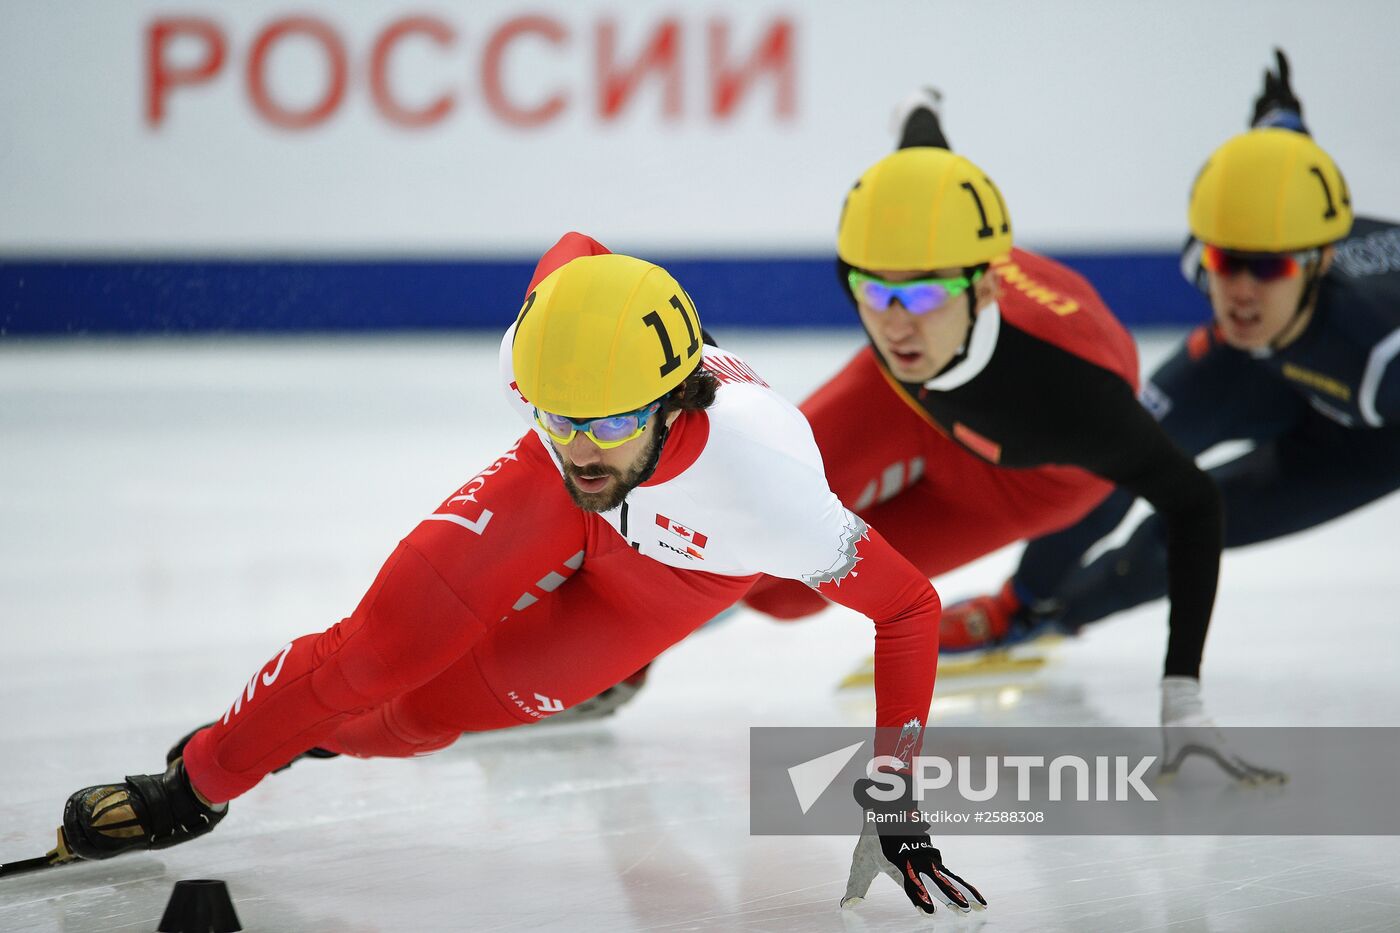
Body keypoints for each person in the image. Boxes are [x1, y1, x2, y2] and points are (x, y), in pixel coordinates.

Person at [50, 233, 984, 917]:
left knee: (418, 714)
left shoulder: (771, 481)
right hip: (550, 509)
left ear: (677, 399)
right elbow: (575, 258)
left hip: (672, 578)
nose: (585, 450)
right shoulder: (550, 368)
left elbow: (907, 608)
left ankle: (301, 735)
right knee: (374, 655)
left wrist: (897, 799)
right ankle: (199, 778)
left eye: (612, 425)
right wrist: (576, 424)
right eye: (557, 415)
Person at [574, 87, 1279, 781]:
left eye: (923, 295)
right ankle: (612, 652)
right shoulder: (904, 323)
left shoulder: (1074, 396)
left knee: (784, 593)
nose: (897, 323)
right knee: (752, 512)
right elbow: (924, 160)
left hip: (1024, 477)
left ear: (986, 288)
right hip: (899, 400)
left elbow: (1193, 501)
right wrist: (921, 112)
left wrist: (1182, 692)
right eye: (874, 292)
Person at [941, 51, 1400, 714]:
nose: (1237, 289)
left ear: (1317, 260)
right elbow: (1277, 163)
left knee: (1183, 532)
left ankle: (1068, 613)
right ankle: (1021, 605)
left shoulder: (1382, 352)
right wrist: (1280, 119)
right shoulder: (1232, 249)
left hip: (1371, 435)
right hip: (1259, 364)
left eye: (1265, 268)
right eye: (1223, 261)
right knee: (1110, 458)